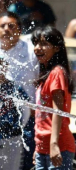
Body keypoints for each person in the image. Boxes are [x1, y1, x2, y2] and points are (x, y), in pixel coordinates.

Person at [0, 11, 39, 170]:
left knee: (24, 165)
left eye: (11, 25)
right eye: (2, 26)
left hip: (27, 121)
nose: (7, 29)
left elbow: (39, 81)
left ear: (19, 30)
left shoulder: (31, 52)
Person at [31, 26, 75, 169]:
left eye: (44, 44)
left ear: (56, 48)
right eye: (36, 43)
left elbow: (58, 111)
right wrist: (38, 147)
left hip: (59, 144)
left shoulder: (57, 72)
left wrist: (54, 144)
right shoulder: (45, 76)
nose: (37, 48)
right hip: (42, 146)